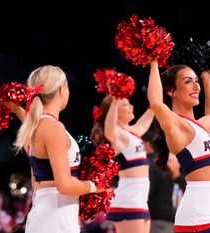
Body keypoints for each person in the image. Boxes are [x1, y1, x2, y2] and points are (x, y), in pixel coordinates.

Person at [13, 65, 104, 233]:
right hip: (56, 219)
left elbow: (38, 182)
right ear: (62, 89)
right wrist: (96, 185)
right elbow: (65, 186)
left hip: (47, 215)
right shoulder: (53, 127)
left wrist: (79, 178)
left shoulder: (35, 126)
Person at [148, 60, 210, 233]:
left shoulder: (198, 127)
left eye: (196, 81)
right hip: (198, 218)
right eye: (188, 81)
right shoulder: (177, 125)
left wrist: (207, 75)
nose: (195, 86)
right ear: (171, 91)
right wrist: (153, 62)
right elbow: (156, 103)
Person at [90, 95, 154, 233]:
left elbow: (153, 107)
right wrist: (114, 98)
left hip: (140, 200)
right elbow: (109, 130)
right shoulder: (117, 135)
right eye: (124, 105)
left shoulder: (132, 133)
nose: (131, 107)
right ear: (113, 111)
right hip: (128, 201)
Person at [142, 129, 186, 233]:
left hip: (162, 220)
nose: (168, 164)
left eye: (171, 160)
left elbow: (148, 194)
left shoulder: (151, 165)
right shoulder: (161, 167)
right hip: (167, 220)